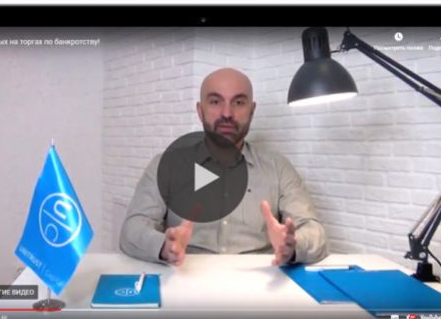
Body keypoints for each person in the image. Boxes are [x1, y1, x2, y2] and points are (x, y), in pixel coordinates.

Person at [119, 67, 327, 266]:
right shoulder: (167, 166)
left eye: (239, 102)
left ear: (252, 110)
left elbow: (314, 232)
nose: (227, 113)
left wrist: (293, 246)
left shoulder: (278, 168)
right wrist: (165, 247)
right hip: (185, 276)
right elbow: (132, 230)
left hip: (258, 282)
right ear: (200, 110)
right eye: (215, 101)